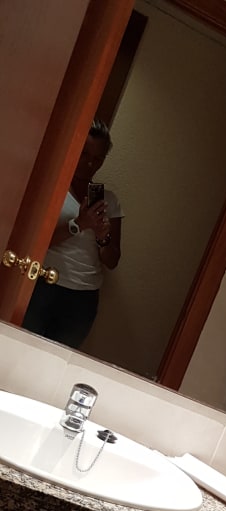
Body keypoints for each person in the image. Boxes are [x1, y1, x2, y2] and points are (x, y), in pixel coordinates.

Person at [22, 119, 123, 349]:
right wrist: (78, 224)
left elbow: (112, 261)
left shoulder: (108, 200)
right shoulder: (53, 187)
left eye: (97, 158)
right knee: (22, 350)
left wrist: (102, 236)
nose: (90, 163)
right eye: (85, 154)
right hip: (42, 282)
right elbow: (35, 241)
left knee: (59, 360)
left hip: (83, 296)